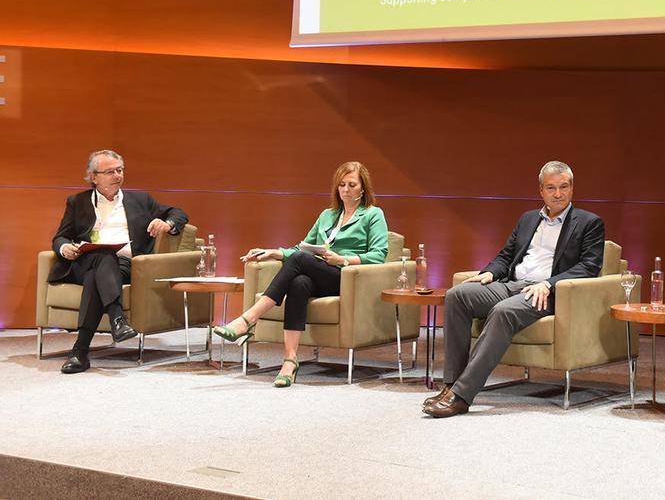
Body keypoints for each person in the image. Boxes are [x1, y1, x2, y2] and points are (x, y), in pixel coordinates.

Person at [422, 161, 605, 417]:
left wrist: (548, 284)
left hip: (546, 293)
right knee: (458, 296)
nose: (558, 194)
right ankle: (450, 384)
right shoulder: (528, 219)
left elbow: (589, 267)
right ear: (541, 190)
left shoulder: (589, 222)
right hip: (511, 284)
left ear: (572, 188)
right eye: (551, 188)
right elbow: (506, 255)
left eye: (564, 187)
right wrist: (488, 272)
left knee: (502, 312)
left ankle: (462, 396)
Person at [216, 161, 388, 387]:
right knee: (299, 283)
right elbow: (301, 248)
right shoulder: (328, 215)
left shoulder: (372, 215)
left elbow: (379, 254)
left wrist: (343, 259)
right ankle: (290, 360)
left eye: (352, 185)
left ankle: (249, 319)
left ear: (363, 189)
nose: (346, 189)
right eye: (342, 185)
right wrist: (273, 252)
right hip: (319, 272)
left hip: (346, 278)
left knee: (299, 262)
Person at [50, 150, 188, 374]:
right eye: (109, 172)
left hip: (123, 266)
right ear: (94, 177)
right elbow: (60, 237)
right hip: (82, 261)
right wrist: (65, 248)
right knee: (101, 256)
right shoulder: (78, 201)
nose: (117, 175)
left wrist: (168, 224)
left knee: (100, 269)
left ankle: (80, 352)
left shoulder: (141, 200)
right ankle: (117, 319)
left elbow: (178, 212)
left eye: (120, 170)